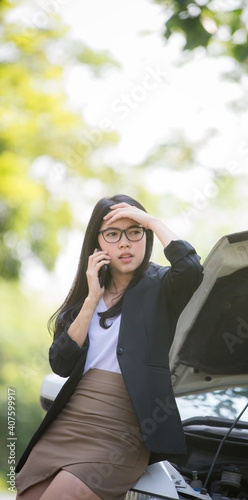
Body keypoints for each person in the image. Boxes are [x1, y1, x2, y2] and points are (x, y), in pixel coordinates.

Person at [15, 194, 204, 500]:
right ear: (98, 242)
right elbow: (60, 363)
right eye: (113, 235)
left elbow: (192, 269)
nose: (125, 243)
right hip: (72, 418)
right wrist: (92, 299)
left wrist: (153, 221)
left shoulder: (161, 285)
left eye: (135, 232)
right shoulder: (86, 295)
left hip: (122, 426)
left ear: (146, 236)